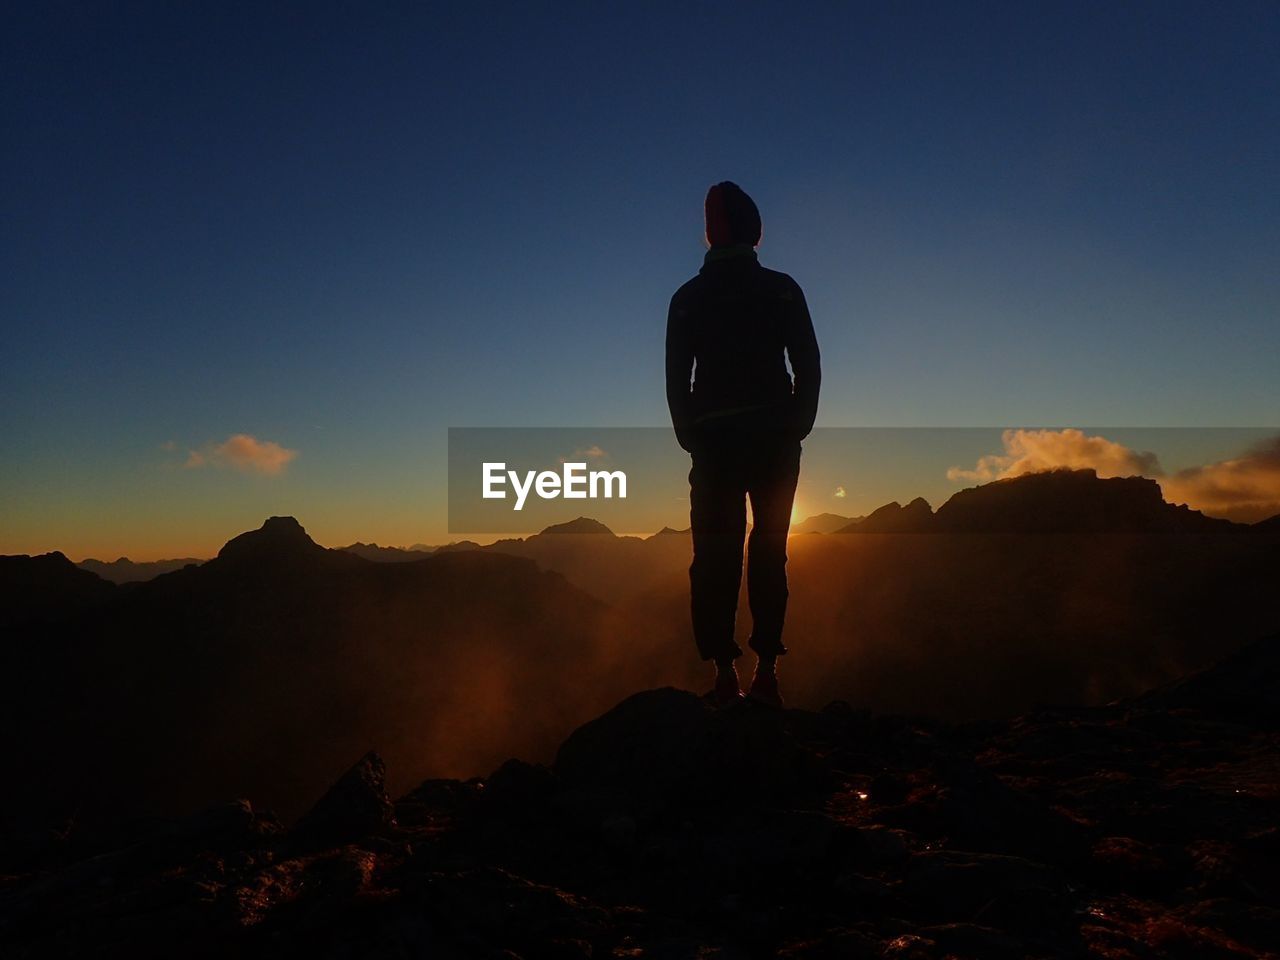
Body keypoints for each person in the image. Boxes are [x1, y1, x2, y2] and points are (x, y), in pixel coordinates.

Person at [665, 181, 821, 708]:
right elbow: (809, 364)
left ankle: (724, 673)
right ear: (755, 232)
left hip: (713, 446)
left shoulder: (688, 298)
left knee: (714, 555)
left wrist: (691, 433)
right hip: (774, 441)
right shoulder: (781, 289)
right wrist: (796, 422)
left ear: (709, 233)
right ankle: (767, 672)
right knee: (770, 551)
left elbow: (676, 378)